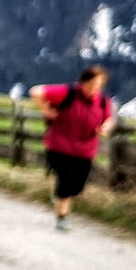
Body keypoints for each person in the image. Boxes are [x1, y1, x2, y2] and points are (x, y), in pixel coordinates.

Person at [29, 66, 116, 230]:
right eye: (91, 84)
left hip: (84, 152)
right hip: (59, 147)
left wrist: (104, 127)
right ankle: (62, 216)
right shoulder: (68, 93)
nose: (93, 89)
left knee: (77, 186)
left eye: (97, 86)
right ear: (82, 82)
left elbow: (109, 120)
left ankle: (60, 197)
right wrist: (46, 110)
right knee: (66, 179)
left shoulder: (103, 102)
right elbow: (36, 92)